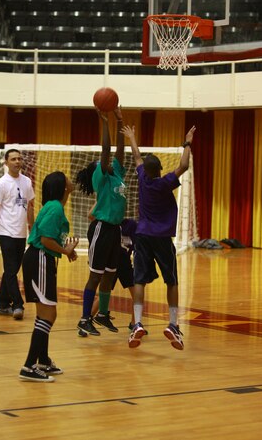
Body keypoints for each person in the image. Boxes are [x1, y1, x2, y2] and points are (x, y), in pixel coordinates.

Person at [120, 124, 196, 350]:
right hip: (162, 237)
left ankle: (138, 323)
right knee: (171, 280)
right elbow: (184, 164)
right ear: (160, 170)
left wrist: (132, 137)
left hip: (142, 235)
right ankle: (172, 324)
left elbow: (135, 155)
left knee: (139, 280)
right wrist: (188, 142)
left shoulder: (142, 179)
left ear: (147, 169)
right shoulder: (164, 183)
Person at [19, 171, 78, 382]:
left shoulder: (55, 206)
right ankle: (28, 366)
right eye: (67, 178)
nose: (71, 180)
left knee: (45, 313)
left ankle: (42, 360)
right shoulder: (54, 207)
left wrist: (66, 250)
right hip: (39, 259)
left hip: (42, 259)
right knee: (48, 315)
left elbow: (50, 239)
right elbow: (44, 239)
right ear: (63, 186)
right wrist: (65, 251)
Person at [76, 106, 126, 337]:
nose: (103, 160)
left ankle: (103, 314)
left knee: (109, 275)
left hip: (115, 230)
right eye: (100, 161)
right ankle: (85, 319)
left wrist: (119, 121)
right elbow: (106, 149)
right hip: (101, 229)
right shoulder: (101, 177)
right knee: (95, 276)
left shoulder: (116, 173)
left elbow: (118, 151)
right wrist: (104, 121)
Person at [0, 148, 35, 320]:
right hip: (5, 232)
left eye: (19, 159)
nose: (17, 162)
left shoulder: (27, 182)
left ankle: (1, 304)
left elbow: (29, 206)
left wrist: (32, 228)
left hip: (21, 233)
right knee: (11, 269)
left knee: (12, 270)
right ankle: (18, 305)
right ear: (6, 163)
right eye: (13, 159)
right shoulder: (1, 184)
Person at [90, 217, 138, 330]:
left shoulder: (129, 225)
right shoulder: (114, 225)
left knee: (105, 293)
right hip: (117, 261)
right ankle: (135, 324)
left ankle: (87, 320)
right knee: (136, 295)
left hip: (119, 261)